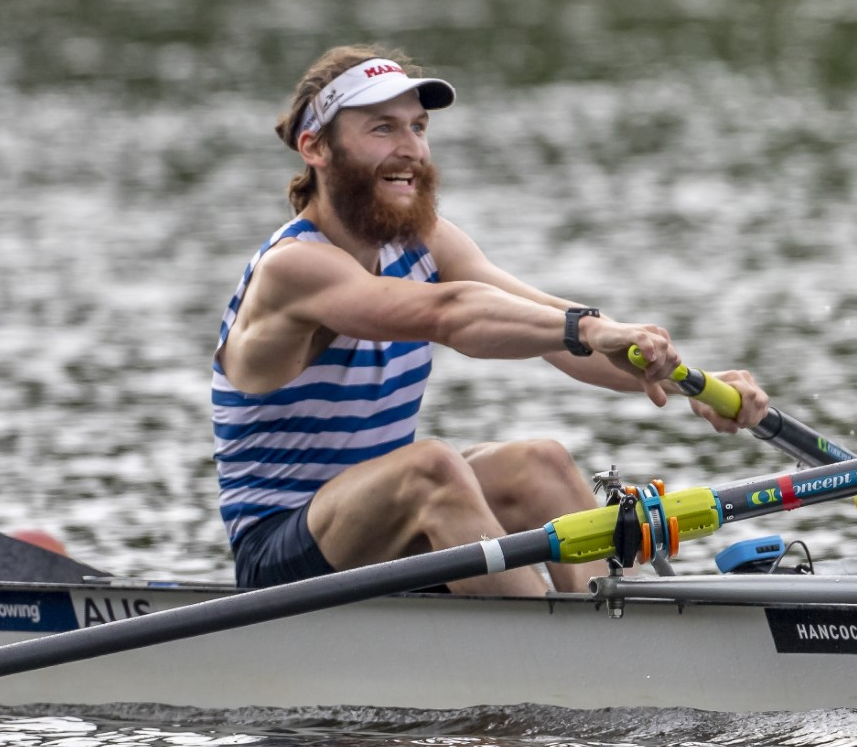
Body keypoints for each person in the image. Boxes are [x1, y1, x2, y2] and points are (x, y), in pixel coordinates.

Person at [212, 44, 769, 595]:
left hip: (384, 531)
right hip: (279, 560)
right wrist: (590, 329)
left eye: (418, 128)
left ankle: (624, 635)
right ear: (316, 148)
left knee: (540, 462)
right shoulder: (293, 267)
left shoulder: (423, 242)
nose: (411, 150)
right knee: (430, 467)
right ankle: (569, 661)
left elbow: (550, 327)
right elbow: (452, 315)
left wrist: (690, 380)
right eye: (382, 129)